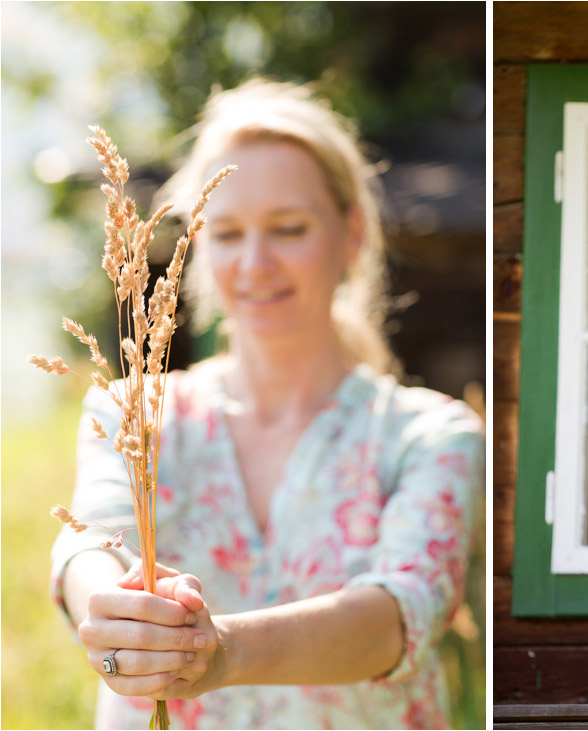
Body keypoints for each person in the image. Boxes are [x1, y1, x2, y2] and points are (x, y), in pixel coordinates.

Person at [50, 78, 484, 729]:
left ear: (352, 234)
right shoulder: (133, 411)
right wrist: (108, 605)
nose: (255, 263)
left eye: (288, 228)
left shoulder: (429, 434)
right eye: (226, 233)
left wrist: (220, 652)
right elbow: (89, 541)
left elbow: (400, 614)